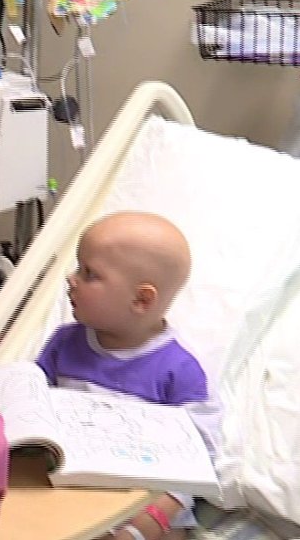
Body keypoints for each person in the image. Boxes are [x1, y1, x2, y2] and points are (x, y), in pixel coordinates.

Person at [35, 211, 217, 540]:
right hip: (68, 490)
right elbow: (32, 406)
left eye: (89, 273)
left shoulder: (179, 372)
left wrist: (144, 525)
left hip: (146, 506)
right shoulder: (64, 343)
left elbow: (197, 464)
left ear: (140, 299)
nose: (71, 279)